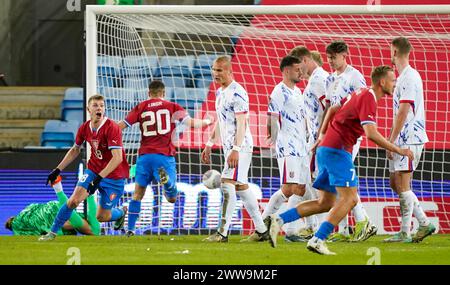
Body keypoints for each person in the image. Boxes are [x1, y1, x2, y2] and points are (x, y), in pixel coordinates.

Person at [267, 65, 414, 255]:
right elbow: (370, 133)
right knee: (350, 198)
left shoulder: (361, 93)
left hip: (326, 149)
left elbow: (334, 108)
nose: (395, 84)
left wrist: (322, 134)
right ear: (382, 82)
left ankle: (277, 220)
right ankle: (318, 239)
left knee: (325, 203)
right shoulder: (369, 98)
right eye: (393, 81)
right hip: (338, 150)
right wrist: (398, 149)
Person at [117, 80, 212, 236]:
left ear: (149, 93)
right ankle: (167, 184)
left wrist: (104, 132)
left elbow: (122, 125)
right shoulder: (172, 106)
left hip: (144, 156)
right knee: (172, 198)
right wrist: (208, 121)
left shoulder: (141, 107)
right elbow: (192, 123)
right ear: (164, 93)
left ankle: (130, 230)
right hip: (163, 156)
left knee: (137, 194)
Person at [39, 94, 129, 241]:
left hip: (113, 176)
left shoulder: (112, 127)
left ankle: (120, 213)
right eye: (95, 105)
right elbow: (75, 149)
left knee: (101, 216)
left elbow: (117, 158)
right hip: (93, 170)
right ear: (88, 109)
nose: (99, 108)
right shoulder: (84, 128)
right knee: (73, 201)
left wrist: (99, 179)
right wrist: (57, 170)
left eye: (101, 105)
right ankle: (52, 233)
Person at [201, 55, 268, 243]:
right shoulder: (220, 92)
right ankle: (262, 230)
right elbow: (221, 121)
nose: (215, 73)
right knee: (241, 187)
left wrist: (236, 148)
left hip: (240, 147)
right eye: (214, 70)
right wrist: (209, 143)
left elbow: (242, 123)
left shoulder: (238, 93)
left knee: (227, 182)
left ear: (230, 71)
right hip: (229, 147)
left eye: (219, 70)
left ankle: (222, 232)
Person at [322, 40, 376, 242]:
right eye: (328, 58)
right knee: (339, 182)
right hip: (334, 134)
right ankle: (344, 230)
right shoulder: (329, 79)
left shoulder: (355, 77)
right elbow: (330, 107)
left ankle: (363, 223)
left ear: (344, 55)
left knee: (342, 180)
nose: (331, 61)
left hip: (349, 136)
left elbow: (364, 102)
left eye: (334, 57)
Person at [383, 37, 435, 243]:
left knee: (403, 184)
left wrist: (392, 141)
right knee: (395, 183)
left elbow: (403, 111)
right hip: (402, 139)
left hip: (410, 139)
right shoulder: (403, 77)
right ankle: (424, 222)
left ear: (395, 52)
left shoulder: (410, 77)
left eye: (390, 51)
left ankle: (405, 232)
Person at [261, 55, 310, 243]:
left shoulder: (297, 91)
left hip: (301, 147)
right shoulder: (279, 91)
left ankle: (290, 231)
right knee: (288, 189)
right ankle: (263, 225)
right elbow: (272, 117)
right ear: (287, 70)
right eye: (298, 69)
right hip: (287, 146)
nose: (301, 72)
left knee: (300, 189)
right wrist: (273, 139)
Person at [289, 46, 330, 240]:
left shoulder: (319, 80)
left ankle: (316, 228)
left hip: (321, 141)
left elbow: (330, 108)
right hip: (313, 140)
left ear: (305, 60)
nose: (298, 72)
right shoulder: (314, 80)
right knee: (307, 184)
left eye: (299, 66)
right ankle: (312, 227)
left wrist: (322, 135)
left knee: (314, 185)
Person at [5, 176, 100, 236]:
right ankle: (89, 192)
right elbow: (36, 205)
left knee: (94, 231)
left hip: (50, 218)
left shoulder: (18, 229)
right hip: (53, 207)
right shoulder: (25, 212)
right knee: (86, 221)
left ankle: (61, 189)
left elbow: (37, 230)